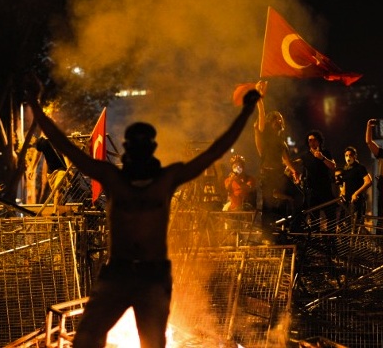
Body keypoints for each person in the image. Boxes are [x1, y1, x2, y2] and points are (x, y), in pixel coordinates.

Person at [26, 78, 261, 348]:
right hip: (119, 273)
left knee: (151, 343)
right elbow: (66, 148)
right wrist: (35, 106)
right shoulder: (114, 178)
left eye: (142, 146)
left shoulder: (162, 179)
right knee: (87, 339)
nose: (137, 152)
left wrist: (245, 113)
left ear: (150, 150)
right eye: (134, 146)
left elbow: (214, 152)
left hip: (152, 276)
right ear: (128, 150)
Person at [253, 88, 303, 239]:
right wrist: (260, 99)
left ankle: (294, 228)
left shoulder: (281, 141)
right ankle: (266, 237)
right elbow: (261, 116)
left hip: (279, 175)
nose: (280, 121)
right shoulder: (264, 134)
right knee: (267, 207)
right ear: (271, 121)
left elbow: (286, 159)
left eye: (281, 118)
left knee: (298, 196)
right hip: (268, 175)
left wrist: (294, 171)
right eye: (277, 118)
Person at [299, 130, 337, 229]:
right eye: (310, 140)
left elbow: (333, 166)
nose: (312, 142)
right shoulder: (305, 156)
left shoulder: (325, 153)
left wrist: (322, 158)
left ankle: (331, 240)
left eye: (314, 140)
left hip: (325, 190)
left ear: (319, 141)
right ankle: (315, 242)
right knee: (314, 218)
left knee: (330, 216)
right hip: (312, 192)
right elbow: (300, 167)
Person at [34, 135, 68, 211]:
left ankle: (55, 211)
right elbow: (38, 154)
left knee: (57, 189)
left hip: (61, 169)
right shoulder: (42, 143)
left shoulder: (56, 141)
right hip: (51, 172)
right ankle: (60, 209)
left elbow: (65, 155)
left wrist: (68, 168)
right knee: (56, 193)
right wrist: (33, 167)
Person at [340, 146, 372, 221]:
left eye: (350, 155)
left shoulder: (360, 168)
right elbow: (345, 183)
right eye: (346, 155)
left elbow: (368, 181)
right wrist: (342, 192)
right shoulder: (345, 169)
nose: (348, 157)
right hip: (347, 203)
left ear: (355, 156)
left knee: (357, 224)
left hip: (357, 201)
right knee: (346, 225)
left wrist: (356, 193)